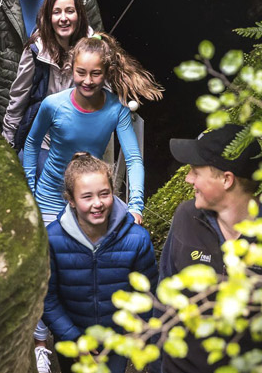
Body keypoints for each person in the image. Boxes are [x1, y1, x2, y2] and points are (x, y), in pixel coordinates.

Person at [159, 124, 262, 373]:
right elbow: (165, 292)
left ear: (226, 179)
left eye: (195, 172)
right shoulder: (187, 216)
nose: (188, 179)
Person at [22, 33, 163, 226]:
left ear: (107, 72)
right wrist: (29, 191)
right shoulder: (52, 105)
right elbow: (31, 144)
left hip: (91, 201)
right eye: (81, 72)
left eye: (95, 73)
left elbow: (134, 159)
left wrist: (136, 206)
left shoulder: (116, 110)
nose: (87, 80)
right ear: (71, 69)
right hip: (49, 199)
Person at [40, 152, 158, 373]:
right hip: (71, 338)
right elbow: (47, 297)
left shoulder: (136, 239)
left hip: (117, 342)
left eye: (104, 194)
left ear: (113, 192)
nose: (98, 204)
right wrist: (72, 338)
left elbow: (148, 293)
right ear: (71, 200)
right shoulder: (52, 239)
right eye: (87, 197)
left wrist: (134, 334)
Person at [2, 0, 92, 156]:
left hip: (80, 143)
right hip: (41, 140)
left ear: (79, 15)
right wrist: (7, 140)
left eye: (70, 11)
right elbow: (18, 97)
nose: (63, 18)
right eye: (56, 12)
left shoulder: (92, 50)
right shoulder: (36, 50)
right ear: (48, 17)